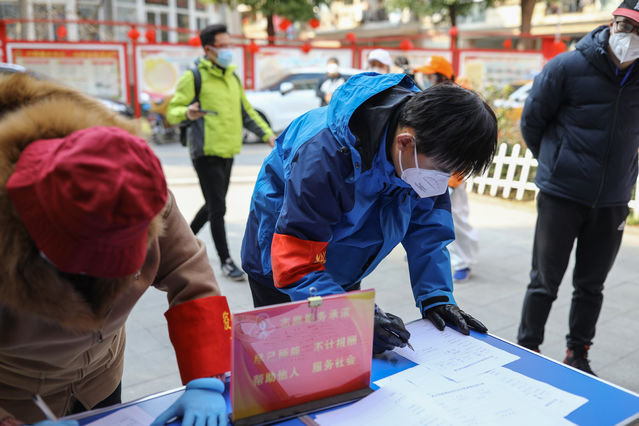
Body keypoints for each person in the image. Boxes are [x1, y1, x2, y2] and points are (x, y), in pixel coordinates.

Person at [0, 73, 231, 425]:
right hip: (15, 391)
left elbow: (187, 269)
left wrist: (206, 375)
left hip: (100, 374)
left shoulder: (130, 181)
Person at [241, 72, 498, 354]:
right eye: (440, 169)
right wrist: (352, 317)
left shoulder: (426, 149)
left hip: (345, 262)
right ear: (404, 142)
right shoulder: (325, 157)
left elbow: (428, 231)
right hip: (280, 265)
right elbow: (296, 263)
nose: (443, 180)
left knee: (340, 354)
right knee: (287, 361)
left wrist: (436, 296)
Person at [517, 0, 639, 375]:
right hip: (561, 195)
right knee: (544, 282)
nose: (630, 37)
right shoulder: (567, 67)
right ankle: (527, 348)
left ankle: (578, 353)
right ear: (612, 23)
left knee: (591, 286)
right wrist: (557, 164)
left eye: (638, 31)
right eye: (625, 25)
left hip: (613, 200)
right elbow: (531, 122)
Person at [167, 24, 276, 282]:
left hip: (228, 150)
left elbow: (247, 112)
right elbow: (172, 111)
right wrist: (186, 113)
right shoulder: (194, 77)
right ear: (209, 49)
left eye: (230, 44)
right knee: (218, 208)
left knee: (214, 205)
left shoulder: (232, 77)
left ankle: (180, 242)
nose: (229, 50)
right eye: (224, 45)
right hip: (204, 152)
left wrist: (268, 135)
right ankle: (226, 260)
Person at [416, 56, 478, 282]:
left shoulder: (459, 101)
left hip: (452, 172)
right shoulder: (437, 98)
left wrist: (454, 178)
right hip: (435, 169)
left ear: (440, 76)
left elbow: (464, 143)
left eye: (430, 75)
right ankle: (452, 259)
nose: (426, 79)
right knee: (439, 217)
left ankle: (465, 262)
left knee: (457, 219)